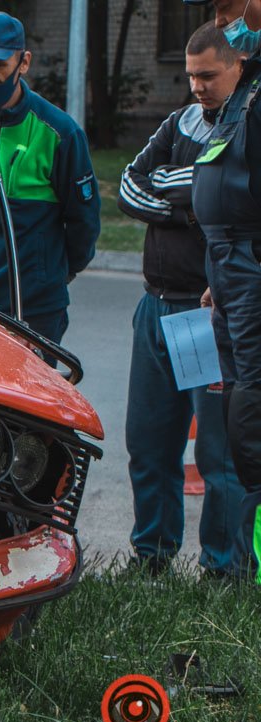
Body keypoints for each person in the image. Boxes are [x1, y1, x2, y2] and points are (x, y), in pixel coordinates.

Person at [118, 22, 248, 578]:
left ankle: (224, 570)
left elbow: (223, 188)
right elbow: (128, 185)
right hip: (154, 304)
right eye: (192, 75)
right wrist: (186, 205)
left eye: (208, 75)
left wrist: (182, 190)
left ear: (238, 66)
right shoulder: (179, 120)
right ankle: (152, 557)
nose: (197, 86)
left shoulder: (247, 123)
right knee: (148, 445)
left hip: (205, 314)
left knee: (217, 457)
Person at [0, 11, 101, 347]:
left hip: (35, 307)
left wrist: (52, 274)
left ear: (23, 62)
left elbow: (83, 221)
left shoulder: (60, 133)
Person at [184, 0, 261, 584]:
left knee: (252, 423)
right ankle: (246, 567)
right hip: (229, 276)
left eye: (232, 6)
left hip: (250, 274)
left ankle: (251, 569)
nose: (226, 16)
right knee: (238, 422)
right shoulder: (239, 101)